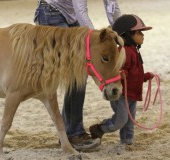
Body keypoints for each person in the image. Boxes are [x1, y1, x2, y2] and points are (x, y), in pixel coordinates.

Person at [33, 0, 121, 151]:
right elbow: (81, 10)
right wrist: (97, 41)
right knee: (78, 71)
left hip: (71, 16)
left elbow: (112, 5)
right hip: (51, 13)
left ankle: (71, 132)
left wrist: (120, 32)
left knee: (80, 72)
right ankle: (73, 133)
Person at [89, 14, 154, 146]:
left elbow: (135, 74)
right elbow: (119, 70)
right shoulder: (126, 52)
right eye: (139, 32)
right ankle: (100, 128)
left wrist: (146, 76)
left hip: (132, 95)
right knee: (121, 121)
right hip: (122, 95)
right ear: (128, 34)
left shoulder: (134, 51)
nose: (142, 35)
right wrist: (122, 73)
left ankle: (127, 141)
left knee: (129, 120)